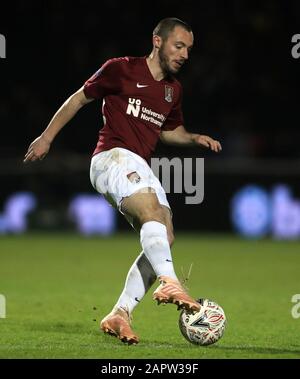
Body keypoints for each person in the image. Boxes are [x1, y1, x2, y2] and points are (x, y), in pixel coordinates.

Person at [24, 17, 222, 345]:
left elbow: (169, 131)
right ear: (157, 41)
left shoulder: (173, 90)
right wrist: (47, 137)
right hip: (111, 158)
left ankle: (120, 313)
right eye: (179, 45)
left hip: (138, 163)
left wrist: (194, 137)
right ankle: (170, 281)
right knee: (152, 213)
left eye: (189, 48)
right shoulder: (121, 69)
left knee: (166, 234)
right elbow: (78, 98)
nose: (185, 54)